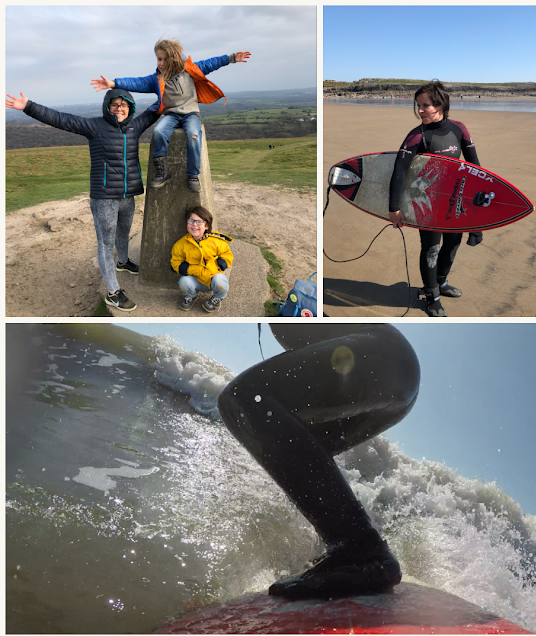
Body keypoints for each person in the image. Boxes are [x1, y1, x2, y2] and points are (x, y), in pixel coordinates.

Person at [217, 324, 420, 599]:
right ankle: (342, 551)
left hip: (384, 355)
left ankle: (360, 549)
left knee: (245, 396)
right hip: (396, 380)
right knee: (301, 444)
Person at [5, 89, 159, 311]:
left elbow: (158, 109)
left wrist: (176, 86)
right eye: (114, 104)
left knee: (123, 232)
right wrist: (29, 106)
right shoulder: (95, 126)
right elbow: (61, 119)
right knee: (106, 243)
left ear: (130, 108)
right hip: (104, 196)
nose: (119, 108)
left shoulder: (135, 125)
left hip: (128, 194)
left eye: (124, 105)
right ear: (107, 107)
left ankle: (123, 262)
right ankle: (113, 293)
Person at [91, 39, 251, 193]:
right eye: (158, 59)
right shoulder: (156, 79)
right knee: (159, 131)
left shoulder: (189, 69)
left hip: (191, 114)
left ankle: (193, 175)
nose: (160, 63)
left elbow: (211, 63)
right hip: (171, 115)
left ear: (174, 59)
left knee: (193, 135)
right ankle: (162, 173)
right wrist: (112, 83)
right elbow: (136, 82)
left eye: (164, 59)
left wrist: (231, 58)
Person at [388, 80, 483, 318]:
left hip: (455, 201)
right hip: (426, 204)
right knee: (431, 249)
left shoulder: (459, 129)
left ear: (440, 104)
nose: (420, 110)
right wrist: (394, 208)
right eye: (418, 105)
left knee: (452, 244)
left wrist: (476, 213)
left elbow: (476, 169)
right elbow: (399, 172)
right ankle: (432, 297)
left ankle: (441, 282)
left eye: (425, 105)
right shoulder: (416, 135)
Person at [170, 205, 233, 312]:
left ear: (207, 225)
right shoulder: (180, 244)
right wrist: (192, 270)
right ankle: (191, 295)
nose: (194, 224)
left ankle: (218, 297)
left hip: (213, 279)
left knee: (220, 280)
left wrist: (223, 262)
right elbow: (175, 262)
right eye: (191, 221)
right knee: (184, 281)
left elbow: (227, 254)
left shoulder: (217, 241)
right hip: (196, 279)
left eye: (199, 222)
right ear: (187, 223)